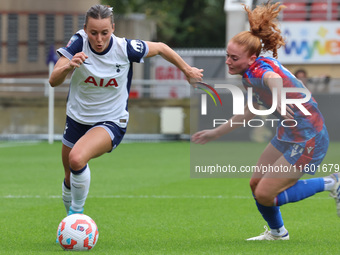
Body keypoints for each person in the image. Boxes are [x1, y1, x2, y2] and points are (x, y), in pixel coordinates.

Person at [192, 2, 339, 240]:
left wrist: (279, 100)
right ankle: (278, 233)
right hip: (290, 133)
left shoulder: (258, 70)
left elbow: (272, 78)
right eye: (227, 56)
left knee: (265, 195)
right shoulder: (250, 73)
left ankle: (333, 183)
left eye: (233, 57)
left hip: (310, 138)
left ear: (251, 59)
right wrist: (216, 133)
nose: (228, 61)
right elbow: (252, 110)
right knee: (255, 184)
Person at [49, 5, 203, 217]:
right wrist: (68, 66)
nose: (99, 39)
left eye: (105, 32)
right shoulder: (78, 43)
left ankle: (76, 217)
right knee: (69, 175)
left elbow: (161, 47)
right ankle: (70, 225)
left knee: (77, 159)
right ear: (85, 29)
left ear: (113, 28)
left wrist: (187, 70)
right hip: (76, 119)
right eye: (93, 33)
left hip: (110, 121)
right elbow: (53, 80)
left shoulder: (126, 48)